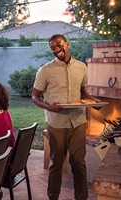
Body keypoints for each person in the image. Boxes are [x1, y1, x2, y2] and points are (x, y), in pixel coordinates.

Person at [32, 34, 101, 200]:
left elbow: (83, 93)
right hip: (57, 123)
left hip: (78, 122)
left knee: (79, 163)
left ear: (67, 44)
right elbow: (35, 97)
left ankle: (81, 197)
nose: (56, 49)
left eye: (58, 45)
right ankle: (53, 196)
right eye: (52, 48)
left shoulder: (82, 67)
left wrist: (93, 102)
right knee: (56, 163)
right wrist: (48, 107)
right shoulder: (45, 70)